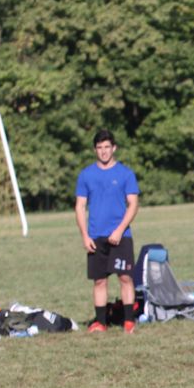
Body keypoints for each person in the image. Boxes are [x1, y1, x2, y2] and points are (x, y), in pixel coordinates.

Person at [75, 129, 140, 333]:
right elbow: (80, 206)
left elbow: (133, 204)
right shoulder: (86, 175)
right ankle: (100, 322)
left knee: (125, 278)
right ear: (95, 150)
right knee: (100, 281)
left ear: (114, 148)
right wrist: (85, 236)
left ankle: (128, 321)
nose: (103, 151)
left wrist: (119, 230)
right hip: (96, 236)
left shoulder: (125, 174)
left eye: (107, 147)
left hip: (121, 236)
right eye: (99, 148)